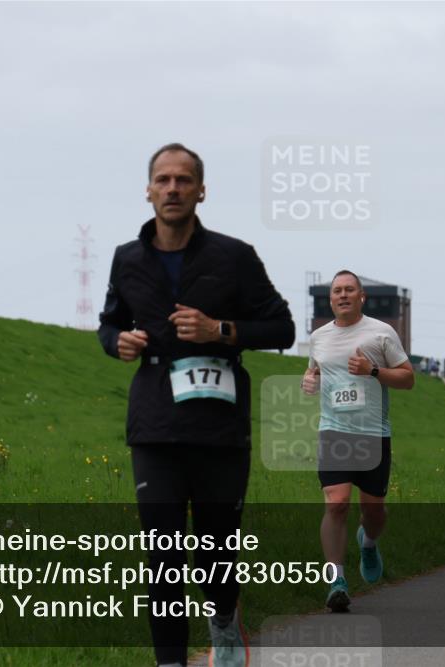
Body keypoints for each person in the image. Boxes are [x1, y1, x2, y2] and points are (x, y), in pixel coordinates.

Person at [97, 143, 294, 667]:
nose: (173, 189)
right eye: (163, 180)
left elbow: (283, 327)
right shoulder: (127, 257)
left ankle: (225, 618)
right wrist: (116, 341)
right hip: (155, 425)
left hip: (218, 426)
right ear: (148, 189)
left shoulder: (234, 255)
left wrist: (220, 330)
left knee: (214, 554)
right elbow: (109, 321)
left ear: (201, 190)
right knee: (163, 557)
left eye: (184, 180)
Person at [301, 270, 414, 612]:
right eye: (337, 291)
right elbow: (314, 371)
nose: (343, 295)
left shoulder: (381, 333)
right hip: (333, 430)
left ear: (361, 296)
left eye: (350, 289)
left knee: (373, 511)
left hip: (372, 434)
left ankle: (368, 543)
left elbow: (408, 379)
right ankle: (336, 580)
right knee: (336, 504)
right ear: (331, 299)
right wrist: (310, 380)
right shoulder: (319, 337)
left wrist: (373, 371)